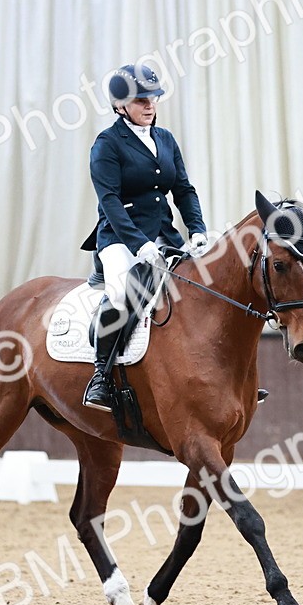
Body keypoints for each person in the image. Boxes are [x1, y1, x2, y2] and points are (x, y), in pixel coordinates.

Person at [79, 63, 209, 411]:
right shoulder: (107, 144)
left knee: (202, 291)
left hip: (165, 235)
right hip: (119, 238)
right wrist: (139, 245)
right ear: (120, 106)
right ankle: (101, 377)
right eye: (141, 101)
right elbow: (109, 201)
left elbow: (183, 189)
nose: (149, 105)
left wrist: (197, 229)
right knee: (123, 295)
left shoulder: (165, 139)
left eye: (153, 98)